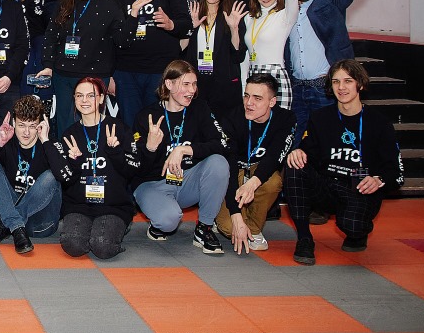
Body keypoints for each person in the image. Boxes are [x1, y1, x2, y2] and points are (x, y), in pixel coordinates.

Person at [290, 0, 415, 136]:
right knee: (297, 143)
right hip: (297, 89)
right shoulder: (286, 12)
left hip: (325, 87)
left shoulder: (331, 0)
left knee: (331, 137)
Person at [285, 59, 404, 265]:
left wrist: (378, 180)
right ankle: (304, 239)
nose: (341, 87)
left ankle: (357, 231)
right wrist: (297, 152)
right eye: (336, 81)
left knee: (352, 224)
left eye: (348, 81)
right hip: (328, 185)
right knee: (294, 165)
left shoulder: (379, 123)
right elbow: (308, 153)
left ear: (360, 84)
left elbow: (396, 172)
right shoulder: (320, 118)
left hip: (359, 187)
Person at [130, 60, 228, 255]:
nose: (192, 90)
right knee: (169, 221)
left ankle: (205, 228)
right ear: (169, 84)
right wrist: (150, 147)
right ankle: (159, 223)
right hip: (153, 184)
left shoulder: (200, 109)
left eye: (194, 84)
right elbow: (136, 169)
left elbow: (222, 144)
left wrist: (185, 150)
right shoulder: (146, 116)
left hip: (186, 181)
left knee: (219, 163)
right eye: (186, 84)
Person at [53, 77, 141, 259]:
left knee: (102, 246)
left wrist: (116, 152)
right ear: (74, 99)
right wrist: (75, 162)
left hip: (113, 205)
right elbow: (66, 180)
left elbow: (132, 171)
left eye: (90, 95)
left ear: (101, 98)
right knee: (73, 246)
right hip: (79, 205)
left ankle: (117, 227)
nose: (84, 100)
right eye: (79, 96)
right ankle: (96, 230)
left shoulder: (118, 128)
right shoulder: (69, 134)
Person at [35, 0, 125, 133]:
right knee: (65, 128)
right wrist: (48, 66)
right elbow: (51, 36)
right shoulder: (64, 2)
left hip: (95, 76)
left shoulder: (110, 4)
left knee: (93, 128)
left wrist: (113, 75)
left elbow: (120, 42)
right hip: (63, 76)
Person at [110, 0, 192, 125]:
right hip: (126, 72)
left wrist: (171, 24)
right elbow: (113, 36)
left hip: (161, 71)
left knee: (158, 126)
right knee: (131, 129)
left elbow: (187, 25)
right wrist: (111, 74)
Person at [215, 73, 296, 254]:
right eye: (246, 95)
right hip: (233, 172)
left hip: (257, 172)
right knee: (229, 227)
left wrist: (252, 183)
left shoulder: (286, 119)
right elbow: (228, 165)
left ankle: (252, 229)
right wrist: (236, 216)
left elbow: (274, 158)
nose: (249, 103)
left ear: (272, 102)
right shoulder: (231, 118)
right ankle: (231, 221)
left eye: (257, 98)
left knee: (274, 182)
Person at [0, 95, 64, 253]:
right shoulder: (6, 141)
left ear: (41, 125)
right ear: (13, 123)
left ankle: (10, 224)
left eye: (32, 126)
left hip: (40, 225)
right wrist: (0, 142)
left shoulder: (50, 144)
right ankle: (16, 226)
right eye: (21, 125)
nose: (26, 132)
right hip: (11, 213)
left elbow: (64, 177)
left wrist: (46, 141)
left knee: (51, 176)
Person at [241, 0, 298, 110]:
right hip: (252, 76)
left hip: (275, 76)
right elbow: (246, 58)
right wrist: (243, 88)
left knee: (278, 124)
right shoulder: (249, 17)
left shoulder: (285, 15)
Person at [186, 0, 248, 117]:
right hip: (196, 86)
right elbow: (181, 51)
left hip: (224, 87)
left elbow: (238, 56)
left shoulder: (232, 15)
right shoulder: (193, 13)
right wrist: (190, 28)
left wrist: (234, 28)